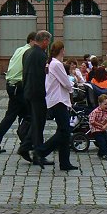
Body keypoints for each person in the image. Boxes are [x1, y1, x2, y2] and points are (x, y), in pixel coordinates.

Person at [0, 32, 35, 154]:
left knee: (17, 115)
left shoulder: (20, 49)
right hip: (19, 87)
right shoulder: (29, 52)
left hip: (11, 85)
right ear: (32, 40)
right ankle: (25, 141)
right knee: (28, 116)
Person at [36, 40, 78, 171]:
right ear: (62, 50)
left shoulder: (52, 63)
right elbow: (66, 83)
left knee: (63, 132)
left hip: (57, 100)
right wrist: (73, 85)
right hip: (58, 100)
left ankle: (64, 163)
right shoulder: (56, 64)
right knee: (65, 131)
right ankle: (41, 150)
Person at [17, 29, 52, 166]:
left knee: (35, 122)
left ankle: (29, 149)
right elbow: (44, 76)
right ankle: (32, 150)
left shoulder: (27, 52)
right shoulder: (41, 55)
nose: (48, 44)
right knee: (39, 124)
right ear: (44, 41)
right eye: (48, 41)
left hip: (28, 91)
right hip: (38, 93)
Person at [88, 94, 107, 161]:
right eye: (105, 104)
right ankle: (104, 154)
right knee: (102, 142)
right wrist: (100, 125)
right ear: (100, 103)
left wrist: (105, 126)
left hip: (103, 129)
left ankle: (100, 153)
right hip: (96, 129)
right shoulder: (95, 111)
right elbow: (92, 121)